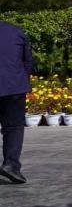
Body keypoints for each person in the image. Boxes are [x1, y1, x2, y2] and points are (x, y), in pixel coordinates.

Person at [0, 20, 33, 184]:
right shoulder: (16, 31)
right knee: (13, 127)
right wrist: (21, 81)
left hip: (13, 85)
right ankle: (11, 165)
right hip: (14, 87)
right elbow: (27, 61)